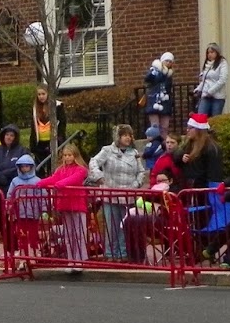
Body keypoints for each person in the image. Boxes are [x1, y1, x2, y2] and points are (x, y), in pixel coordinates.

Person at [87, 125, 147, 261]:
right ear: (118, 137)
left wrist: (136, 184)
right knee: (111, 226)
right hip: (111, 194)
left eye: (129, 135)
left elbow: (141, 171)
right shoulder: (107, 150)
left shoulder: (134, 152)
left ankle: (123, 253)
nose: (128, 137)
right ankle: (110, 254)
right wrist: (99, 177)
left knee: (124, 225)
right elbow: (94, 162)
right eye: (124, 135)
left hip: (128, 195)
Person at [43, 143, 91, 272]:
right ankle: (71, 261)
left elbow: (73, 179)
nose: (67, 158)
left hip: (78, 204)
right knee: (68, 234)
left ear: (75, 156)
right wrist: (40, 183)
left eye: (69, 155)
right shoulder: (60, 170)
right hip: (65, 205)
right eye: (65, 155)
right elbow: (53, 178)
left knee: (79, 233)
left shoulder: (81, 169)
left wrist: (59, 184)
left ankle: (79, 260)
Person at [30, 86, 67, 159]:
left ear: (48, 94)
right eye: (39, 94)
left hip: (53, 141)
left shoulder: (57, 106)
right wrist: (32, 144)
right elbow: (33, 126)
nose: (41, 96)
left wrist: (59, 138)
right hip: (40, 142)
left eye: (43, 94)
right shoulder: (35, 108)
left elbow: (62, 123)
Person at [194, 43, 229, 117]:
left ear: (217, 52)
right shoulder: (207, 64)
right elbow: (204, 80)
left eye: (212, 52)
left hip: (217, 97)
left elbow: (222, 80)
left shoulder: (222, 63)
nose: (209, 54)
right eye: (208, 53)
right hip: (205, 96)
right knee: (201, 117)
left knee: (215, 119)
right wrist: (198, 89)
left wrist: (210, 91)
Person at [143, 56, 176, 132]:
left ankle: (163, 142)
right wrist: (160, 72)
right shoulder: (154, 70)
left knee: (165, 126)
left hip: (165, 101)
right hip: (154, 100)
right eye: (166, 60)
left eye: (170, 61)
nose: (168, 63)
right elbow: (148, 79)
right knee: (155, 125)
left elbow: (168, 87)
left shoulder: (169, 75)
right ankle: (155, 142)